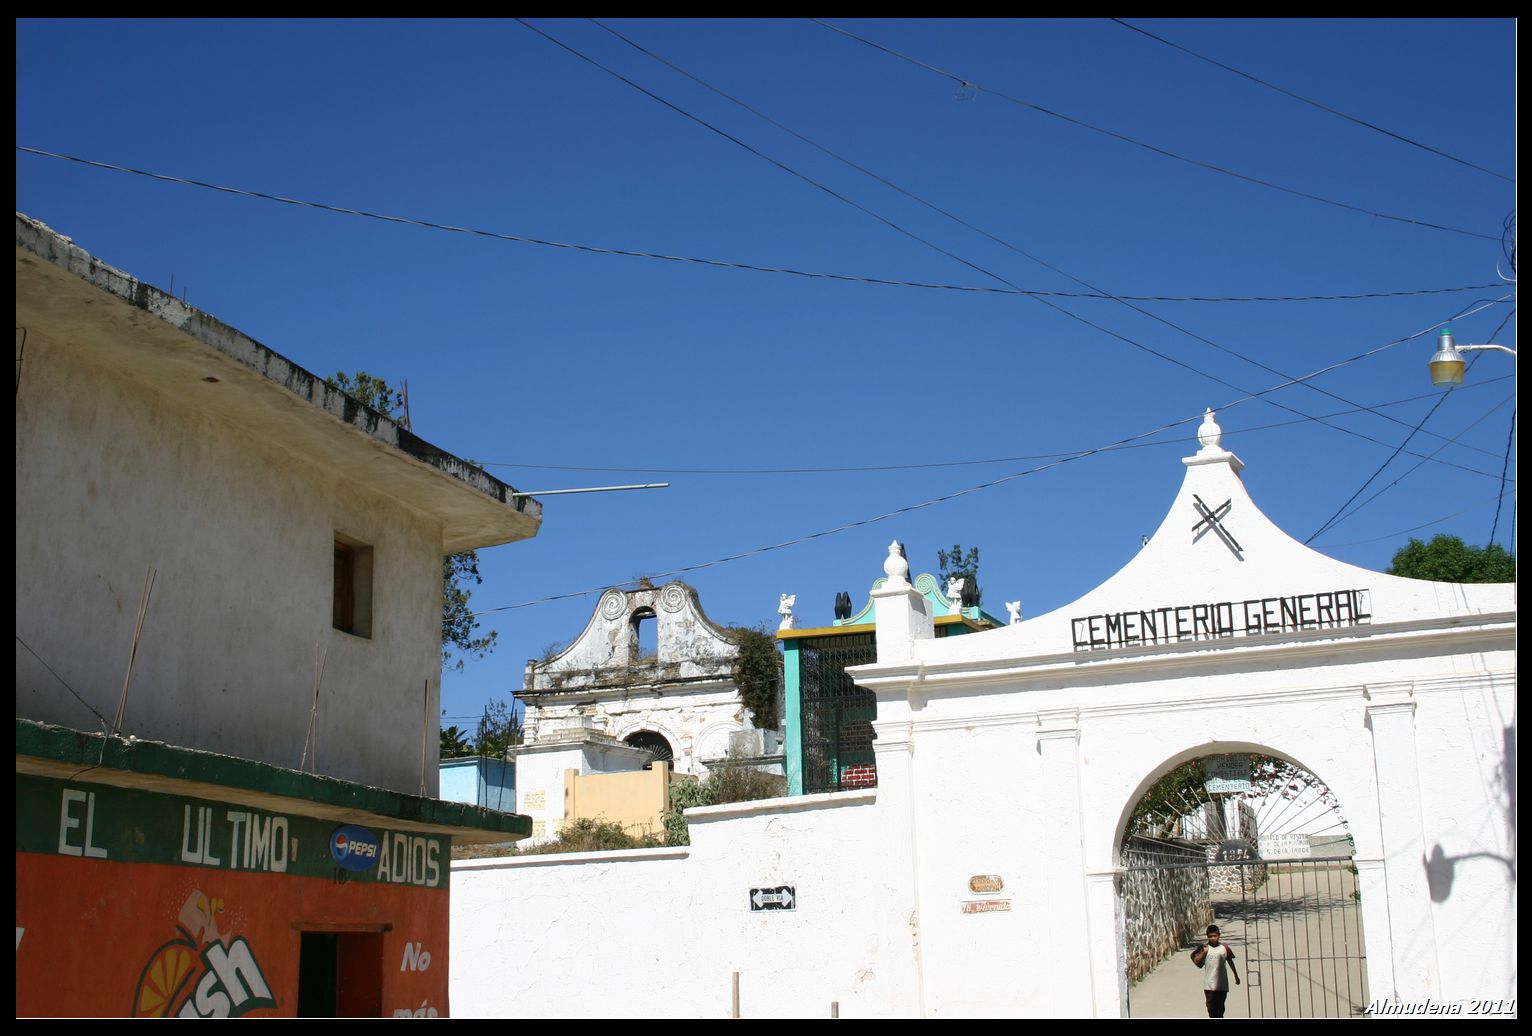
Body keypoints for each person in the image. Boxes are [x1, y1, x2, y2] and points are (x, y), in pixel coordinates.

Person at [1191, 924, 1241, 1017]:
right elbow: (1197, 962)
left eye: (1215, 936)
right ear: (1207, 936)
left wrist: (1236, 976)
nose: (1213, 938)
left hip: (1222, 985)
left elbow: (1230, 961)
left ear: (1219, 935)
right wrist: (1204, 952)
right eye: (1210, 936)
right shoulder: (1205, 948)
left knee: (1220, 1009)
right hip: (1209, 985)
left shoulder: (1224, 948)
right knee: (1211, 1009)